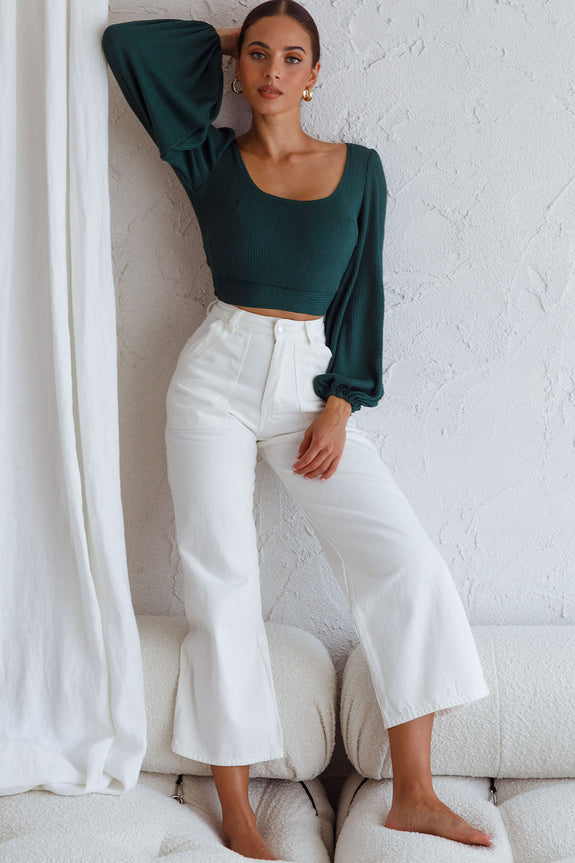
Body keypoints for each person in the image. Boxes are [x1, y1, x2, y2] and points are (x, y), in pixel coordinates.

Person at [101, 2, 492, 858]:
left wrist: (341, 403)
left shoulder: (359, 170)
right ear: (238, 69)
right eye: (257, 56)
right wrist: (226, 38)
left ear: (315, 75)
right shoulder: (206, 156)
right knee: (220, 582)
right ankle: (237, 811)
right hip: (213, 379)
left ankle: (414, 792)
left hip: (308, 389)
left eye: (291, 57)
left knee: (405, 562)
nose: (272, 72)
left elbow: (363, 295)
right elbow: (128, 47)